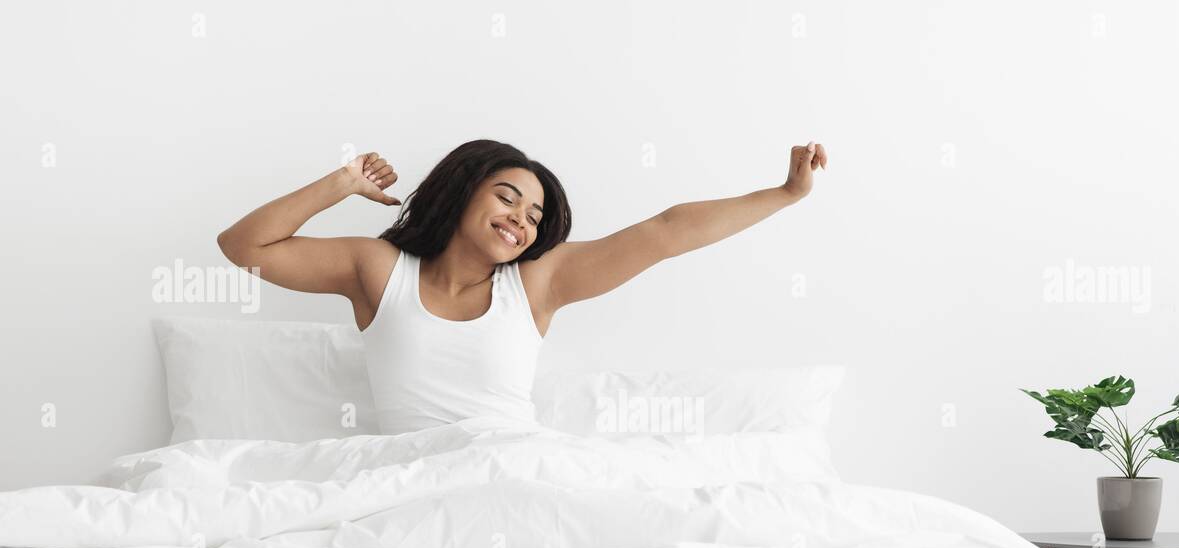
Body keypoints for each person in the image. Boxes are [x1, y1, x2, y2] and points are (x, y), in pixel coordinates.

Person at [217, 139, 827, 433]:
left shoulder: (537, 284)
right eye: (507, 197)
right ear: (461, 193)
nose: (520, 219)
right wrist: (341, 183)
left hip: (512, 472)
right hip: (403, 479)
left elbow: (666, 232)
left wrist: (785, 194)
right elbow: (243, 248)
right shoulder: (378, 269)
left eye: (534, 215)